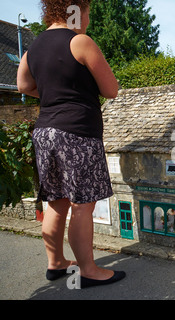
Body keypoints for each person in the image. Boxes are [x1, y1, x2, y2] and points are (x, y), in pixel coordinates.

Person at [17, 0, 125, 288]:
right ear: (76, 10)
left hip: (44, 133)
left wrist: (54, 92)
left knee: (56, 202)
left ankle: (56, 264)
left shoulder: (33, 49)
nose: (87, 19)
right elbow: (111, 89)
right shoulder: (80, 42)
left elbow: (23, 86)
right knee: (82, 205)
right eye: (87, 13)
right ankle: (88, 271)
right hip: (77, 132)